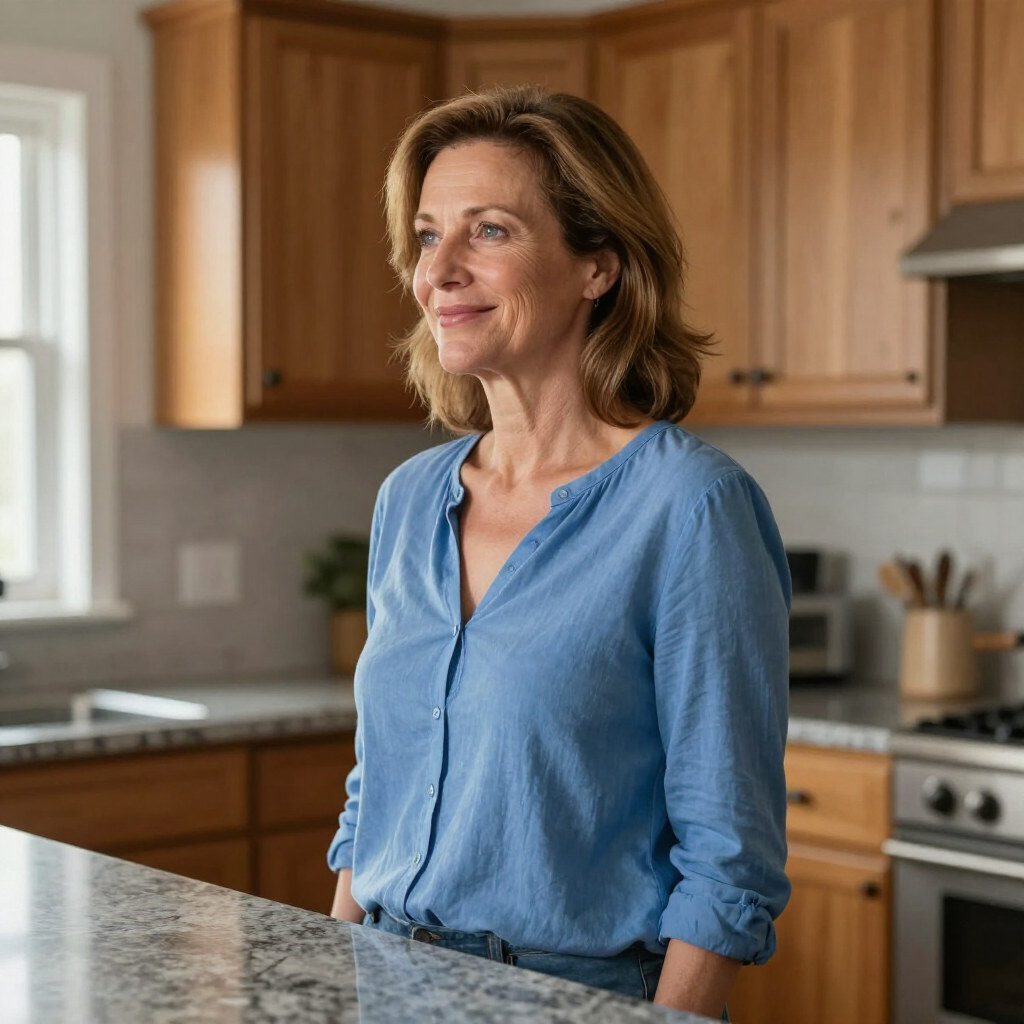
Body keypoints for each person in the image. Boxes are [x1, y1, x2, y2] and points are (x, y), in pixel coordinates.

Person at [328, 86, 790, 1017]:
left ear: (598, 267)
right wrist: (331, 979)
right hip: (380, 982)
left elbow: (729, 854)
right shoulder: (410, 500)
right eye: (426, 236)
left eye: (489, 231)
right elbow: (376, 791)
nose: (440, 272)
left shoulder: (690, 507)